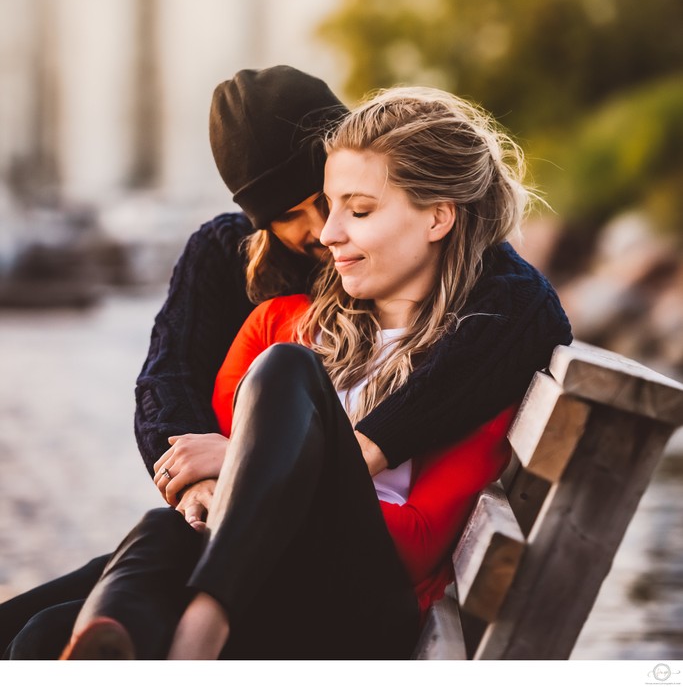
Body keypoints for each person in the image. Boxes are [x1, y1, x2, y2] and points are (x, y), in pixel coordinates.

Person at [1, 68, 572, 659]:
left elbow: (533, 311)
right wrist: (205, 477)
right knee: (57, 618)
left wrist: (271, 458)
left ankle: (205, 624)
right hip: (269, 565)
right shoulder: (261, 283)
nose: (323, 232)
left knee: (286, 370)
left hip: (354, 600)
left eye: (338, 204)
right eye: (294, 212)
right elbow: (168, 378)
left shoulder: (481, 323)